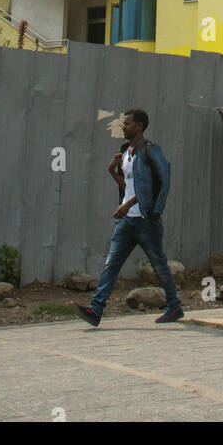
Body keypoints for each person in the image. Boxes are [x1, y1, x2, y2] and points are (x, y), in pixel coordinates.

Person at [75, 109, 184, 327]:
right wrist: (112, 171)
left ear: (140, 126)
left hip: (146, 221)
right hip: (126, 222)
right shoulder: (125, 152)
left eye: (127, 124)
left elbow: (157, 185)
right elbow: (128, 186)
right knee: (111, 264)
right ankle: (96, 310)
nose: (123, 127)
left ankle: (174, 307)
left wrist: (132, 206)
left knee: (159, 265)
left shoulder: (151, 150)